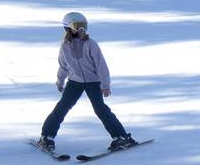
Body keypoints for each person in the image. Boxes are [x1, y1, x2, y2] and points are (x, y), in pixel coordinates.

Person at [38, 12, 136, 152]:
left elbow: (101, 65)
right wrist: (60, 81)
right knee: (62, 108)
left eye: (83, 26)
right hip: (74, 82)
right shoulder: (65, 46)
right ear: (68, 28)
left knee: (100, 109)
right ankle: (47, 137)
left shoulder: (91, 44)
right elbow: (63, 66)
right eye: (77, 26)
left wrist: (105, 85)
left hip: (93, 82)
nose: (81, 29)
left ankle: (121, 137)